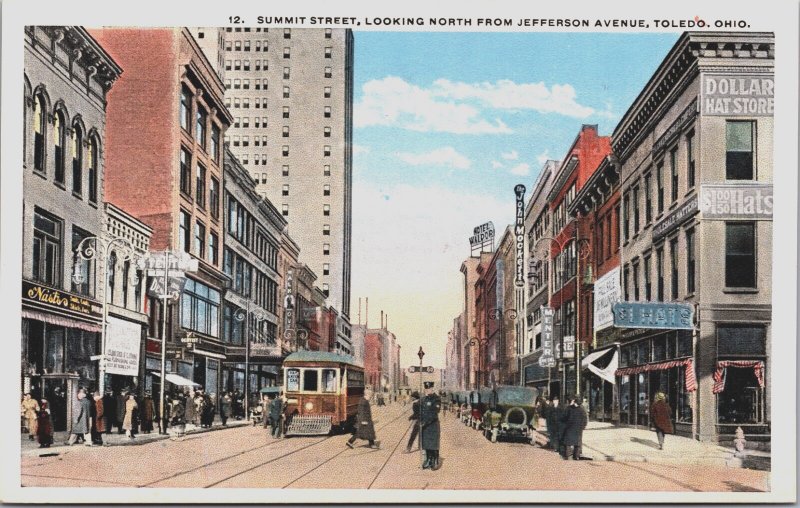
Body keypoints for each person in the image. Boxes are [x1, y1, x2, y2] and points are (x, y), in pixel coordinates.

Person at [419, 382, 442, 470]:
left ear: (432, 388)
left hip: (433, 425)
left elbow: (434, 412)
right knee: (426, 444)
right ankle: (428, 460)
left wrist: (425, 422)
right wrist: (419, 419)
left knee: (433, 444)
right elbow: (421, 411)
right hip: (425, 426)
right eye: (426, 389)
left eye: (430, 389)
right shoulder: (423, 399)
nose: (428, 390)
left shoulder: (436, 399)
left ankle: (435, 461)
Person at [560, 395, 588, 460]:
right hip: (576, 428)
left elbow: (564, 417)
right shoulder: (582, 409)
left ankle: (569, 455)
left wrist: (564, 423)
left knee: (569, 442)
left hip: (571, 428)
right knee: (577, 443)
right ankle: (575, 455)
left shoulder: (569, 408)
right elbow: (585, 419)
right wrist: (583, 426)